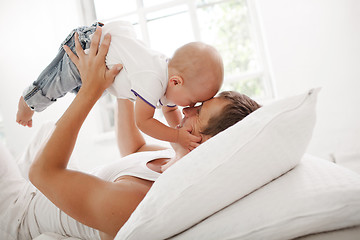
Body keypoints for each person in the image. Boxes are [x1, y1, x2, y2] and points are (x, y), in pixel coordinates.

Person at [1, 27, 261, 240]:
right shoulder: (167, 160)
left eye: (199, 111)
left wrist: (91, 90)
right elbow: (133, 149)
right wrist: (133, 84)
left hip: (17, 216)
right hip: (32, 188)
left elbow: (42, 174)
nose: (186, 110)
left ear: (206, 143)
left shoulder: (138, 204)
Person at [16, 21, 224, 151]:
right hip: (90, 46)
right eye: (193, 102)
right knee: (56, 83)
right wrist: (178, 137)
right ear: (175, 81)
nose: (187, 109)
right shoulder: (153, 79)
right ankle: (29, 101)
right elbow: (143, 121)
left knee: (76, 88)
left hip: (101, 69)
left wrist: (181, 141)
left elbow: (171, 113)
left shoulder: (170, 89)